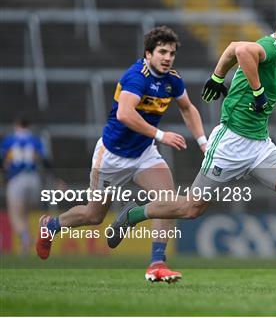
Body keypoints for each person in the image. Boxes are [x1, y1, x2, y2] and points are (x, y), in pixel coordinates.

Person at [107, 10, 276, 263]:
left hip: (260, 145)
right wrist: (258, 90)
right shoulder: (271, 48)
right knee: (191, 208)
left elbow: (231, 49)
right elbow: (242, 51)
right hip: (230, 144)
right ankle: (133, 214)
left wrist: (217, 77)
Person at [36, 26, 207, 283]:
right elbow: (124, 114)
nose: (167, 57)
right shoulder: (135, 77)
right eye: (162, 52)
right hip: (112, 156)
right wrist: (160, 136)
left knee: (168, 203)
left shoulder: (172, 79)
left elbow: (188, 108)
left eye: (171, 53)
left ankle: (157, 263)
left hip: (144, 154)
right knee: (93, 216)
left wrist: (203, 142)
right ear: (148, 54)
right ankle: (51, 227)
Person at [1, 115, 51, 255]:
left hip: (17, 179)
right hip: (34, 179)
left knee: (15, 214)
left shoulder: (10, 140)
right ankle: (26, 247)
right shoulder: (35, 140)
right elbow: (45, 160)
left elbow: (3, 159)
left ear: (17, 124)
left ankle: (25, 238)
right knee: (25, 213)